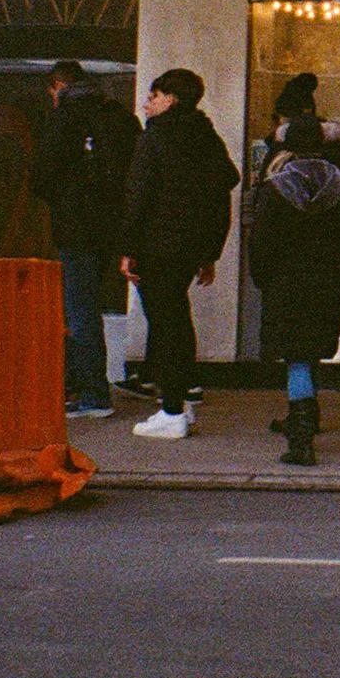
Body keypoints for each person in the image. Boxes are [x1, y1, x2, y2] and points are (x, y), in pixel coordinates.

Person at [121, 68, 239, 440]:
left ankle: (171, 410)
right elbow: (223, 193)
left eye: (153, 96)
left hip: (157, 245)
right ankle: (181, 403)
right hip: (189, 248)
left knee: (166, 324)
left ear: (170, 99)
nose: (146, 103)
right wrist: (209, 253)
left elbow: (137, 196)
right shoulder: (207, 138)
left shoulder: (155, 138)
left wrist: (128, 248)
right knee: (177, 321)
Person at [248, 136, 340, 466]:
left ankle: (300, 436)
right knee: (310, 349)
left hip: (285, 285)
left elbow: (260, 242)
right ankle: (308, 415)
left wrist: (262, 278)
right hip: (327, 284)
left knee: (297, 356)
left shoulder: (275, 189)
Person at [31, 60, 140, 419]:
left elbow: (42, 174)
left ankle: (92, 392)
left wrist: (61, 198)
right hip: (115, 223)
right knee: (92, 302)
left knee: (80, 309)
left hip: (76, 224)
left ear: (57, 87)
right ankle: (92, 387)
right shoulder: (120, 117)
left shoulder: (64, 118)